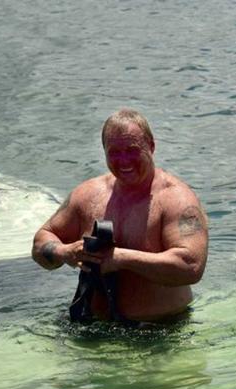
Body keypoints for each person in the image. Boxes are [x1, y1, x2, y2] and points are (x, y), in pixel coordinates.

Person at [32, 108, 208, 323]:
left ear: (151, 146)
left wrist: (121, 259)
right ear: (104, 151)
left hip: (162, 329)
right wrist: (63, 251)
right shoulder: (87, 195)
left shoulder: (176, 199)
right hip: (92, 326)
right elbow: (42, 240)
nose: (124, 161)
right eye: (114, 152)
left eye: (132, 150)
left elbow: (191, 266)